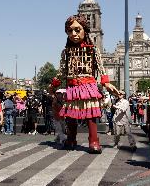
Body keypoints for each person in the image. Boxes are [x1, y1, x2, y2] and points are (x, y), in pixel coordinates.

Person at [49, 14, 119, 154]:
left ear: (84, 30)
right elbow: (62, 71)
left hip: (88, 86)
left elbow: (101, 68)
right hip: (72, 87)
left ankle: (93, 140)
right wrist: (54, 84)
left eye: (77, 29)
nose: (73, 34)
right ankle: (71, 139)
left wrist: (106, 83)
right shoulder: (66, 52)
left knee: (91, 115)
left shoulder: (93, 50)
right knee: (70, 115)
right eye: (70, 31)